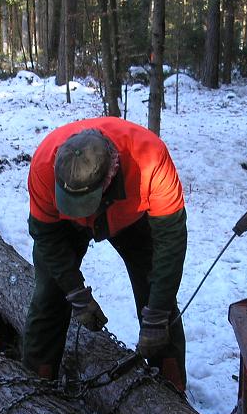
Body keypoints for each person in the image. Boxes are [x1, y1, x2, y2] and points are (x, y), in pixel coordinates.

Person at [23, 116, 188, 391]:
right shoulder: (43, 166)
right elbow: (46, 236)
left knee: (158, 297)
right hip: (64, 228)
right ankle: (37, 390)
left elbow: (170, 243)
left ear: (110, 178)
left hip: (132, 217)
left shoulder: (150, 159)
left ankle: (173, 393)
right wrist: (75, 293)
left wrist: (157, 314)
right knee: (48, 297)